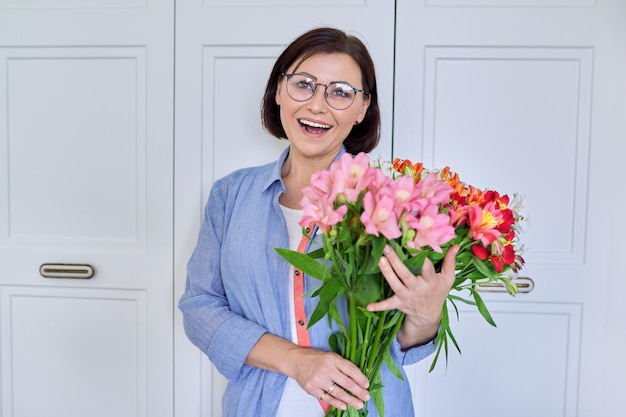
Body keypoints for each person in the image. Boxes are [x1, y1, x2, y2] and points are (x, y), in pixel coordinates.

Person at [179, 27, 458, 417]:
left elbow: (396, 340)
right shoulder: (231, 196)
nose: (317, 105)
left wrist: (426, 316)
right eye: (304, 84)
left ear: (362, 109)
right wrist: (296, 360)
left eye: (340, 91)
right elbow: (199, 307)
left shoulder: (395, 202)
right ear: (279, 91)